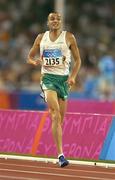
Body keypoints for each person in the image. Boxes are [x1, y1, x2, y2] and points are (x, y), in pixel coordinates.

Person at [27, 12, 81, 167]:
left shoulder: (69, 37)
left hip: (63, 81)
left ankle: (59, 150)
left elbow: (78, 60)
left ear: (61, 21)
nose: (55, 21)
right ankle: (61, 156)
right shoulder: (40, 38)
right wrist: (34, 61)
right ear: (48, 22)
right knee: (55, 114)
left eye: (58, 19)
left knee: (60, 120)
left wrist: (73, 76)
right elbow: (29, 56)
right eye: (52, 19)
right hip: (47, 79)